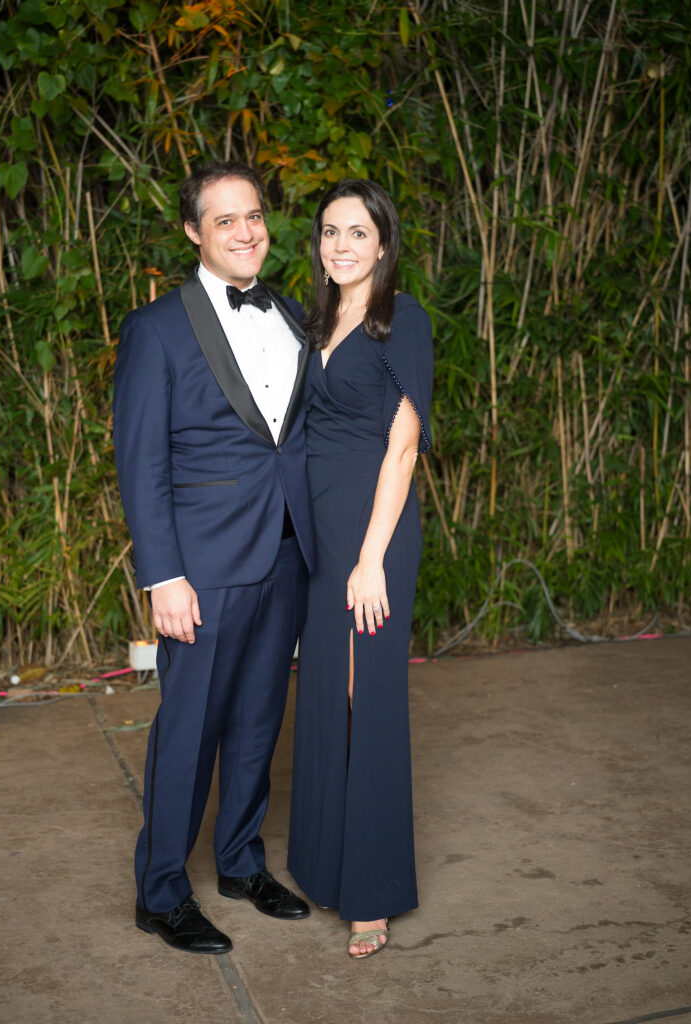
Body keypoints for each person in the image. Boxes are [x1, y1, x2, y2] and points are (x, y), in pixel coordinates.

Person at [113, 160, 316, 955]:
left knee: (261, 723)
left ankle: (238, 863)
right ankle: (161, 893)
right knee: (189, 731)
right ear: (195, 232)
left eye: (255, 215)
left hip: (287, 552)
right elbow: (141, 461)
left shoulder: (290, 312)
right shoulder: (157, 328)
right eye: (225, 219)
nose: (246, 230)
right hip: (201, 569)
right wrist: (163, 576)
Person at [287, 180, 433, 959]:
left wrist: (372, 558)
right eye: (329, 232)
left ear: (384, 242)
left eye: (357, 233)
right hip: (320, 532)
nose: (340, 245)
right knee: (323, 692)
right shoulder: (318, 318)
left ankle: (371, 893)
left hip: (371, 533)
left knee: (361, 693)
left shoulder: (400, 321)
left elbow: (402, 445)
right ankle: (323, 864)